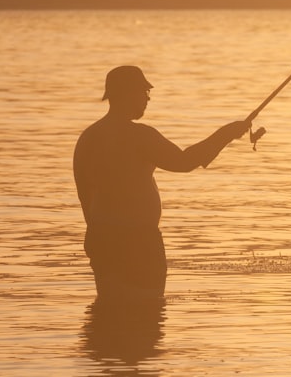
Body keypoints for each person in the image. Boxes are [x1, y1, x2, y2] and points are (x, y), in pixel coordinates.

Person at [74, 65, 251, 301]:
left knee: (109, 314)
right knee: (145, 317)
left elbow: (84, 194)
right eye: (144, 92)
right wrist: (226, 133)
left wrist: (95, 234)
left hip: (102, 240)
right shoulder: (139, 135)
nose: (148, 99)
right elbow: (184, 161)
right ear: (127, 94)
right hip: (138, 245)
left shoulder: (88, 138)